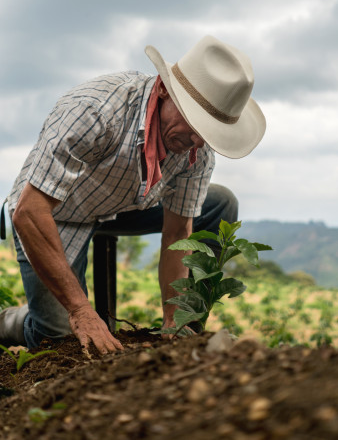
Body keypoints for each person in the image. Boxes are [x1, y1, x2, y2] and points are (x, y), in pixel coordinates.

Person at [0, 35, 266, 354]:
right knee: (63, 342)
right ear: (165, 90)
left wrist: (173, 318)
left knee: (220, 202)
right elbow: (29, 212)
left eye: (208, 132)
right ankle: (13, 322)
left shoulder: (196, 147)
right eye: (195, 122)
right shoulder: (95, 110)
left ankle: (187, 332)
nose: (197, 140)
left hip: (126, 203)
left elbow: (179, 232)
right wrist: (81, 311)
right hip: (55, 213)